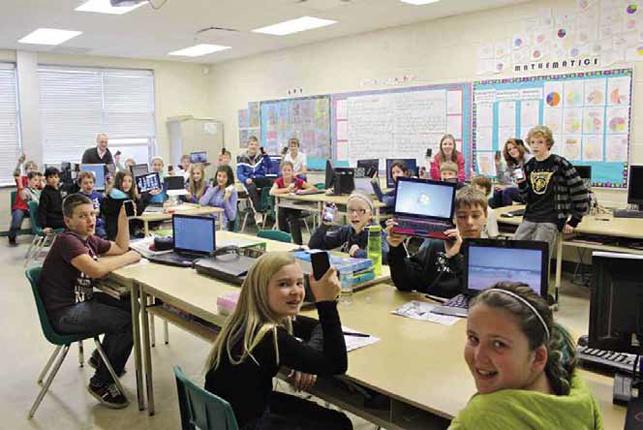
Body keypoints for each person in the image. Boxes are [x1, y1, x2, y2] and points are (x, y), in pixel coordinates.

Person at [204, 252, 352, 430]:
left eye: (299, 283)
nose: (296, 291)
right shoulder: (270, 336)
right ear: (261, 289)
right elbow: (337, 364)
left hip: (224, 415)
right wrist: (326, 302)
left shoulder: (246, 318)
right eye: (284, 284)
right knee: (340, 424)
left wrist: (306, 353)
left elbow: (317, 327)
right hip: (247, 423)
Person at [449, 282, 603, 429]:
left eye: (498, 344)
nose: (478, 355)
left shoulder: (481, 417)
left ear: (538, 358)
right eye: (473, 338)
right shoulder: (577, 396)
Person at [39, 193, 141, 409]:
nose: (90, 220)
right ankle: (101, 382)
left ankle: (102, 357)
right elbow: (96, 270)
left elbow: (120, 248)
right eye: (83, 216)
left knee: (131, 302)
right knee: (126, 322)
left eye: (92, 214)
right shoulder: (67, 240)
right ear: (68, 221)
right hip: (65, 313)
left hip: (82, 301)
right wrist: (132, 256)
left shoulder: (89, 239)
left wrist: (124, 219)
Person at [386, 186, 488, 297]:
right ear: (453, 218)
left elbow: (480, 297)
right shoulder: (435, 244)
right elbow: (405, 284)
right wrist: (396, 248)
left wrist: (454, 257)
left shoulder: (490, 252)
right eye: (462, 216)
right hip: (430, 307)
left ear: (486, 215)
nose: (469, 222)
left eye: (476, 216)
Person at [514, 126, 589, 260]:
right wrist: (521, 184)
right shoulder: (529, 165)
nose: (535, 146)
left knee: (539, 257)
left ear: (548, 144)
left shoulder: (560, 163)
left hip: (551, 218)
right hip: (531, 216)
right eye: (532, 142)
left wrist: (574, 221)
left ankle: (539, 281)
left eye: (540, 142)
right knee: (515, 250)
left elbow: (580, 192)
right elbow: (526, 197)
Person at [309, 191, 389, 260]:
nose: (354, 214)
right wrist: (325, 225)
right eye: (351, 210)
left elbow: (385, 256)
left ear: (370, 214)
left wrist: (358, 253)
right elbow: (314, 246)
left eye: (361, 210)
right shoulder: (347, 230)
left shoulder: (375, 231)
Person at [269, 161, 316, 245]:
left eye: (289, 170)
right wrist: (287, 190)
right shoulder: (279, 181)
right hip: (283, 206)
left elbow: (313, 188)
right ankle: (285, 239)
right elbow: (272, 192)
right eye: (284, 170)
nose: (286, 172)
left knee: (293, 217)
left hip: (295, 207)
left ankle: (298, 243)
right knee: (281, 215)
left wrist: (302, 191)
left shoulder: (297, 181)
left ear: (292, 171)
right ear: (281, 171)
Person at [101, 171, 148, 240]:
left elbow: (138, 212)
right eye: (124, 181)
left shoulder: (128, 195)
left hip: (126, 230)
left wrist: (139, 197)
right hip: (117, 233)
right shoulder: (116, 196)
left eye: (130, 181)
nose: (127, 184)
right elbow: (135, 213)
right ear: (118, 182)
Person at [489, 138, 532, 208]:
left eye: (515, 147)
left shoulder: (529, 160)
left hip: (529, 192)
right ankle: (498, 215)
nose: (512, 151)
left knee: (507, 191)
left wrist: (506, 187)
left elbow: (525, 184)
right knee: (497, 191)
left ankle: (507, 215)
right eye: (509, 149)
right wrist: (498, 165)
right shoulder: (512, 163)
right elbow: (503, 182)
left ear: (520, 147)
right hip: (518, 189)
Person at [236, 136, 273, 214]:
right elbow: (239, 174)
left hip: (259, 179)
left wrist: (266, 156)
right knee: (252, 187)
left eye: (256, 145)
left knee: (272, 182)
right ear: (248, 146)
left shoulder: (260, 156)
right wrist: (245, 179)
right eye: (251, 144)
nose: (253, 146)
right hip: (249, 180)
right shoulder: (241, 158)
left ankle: (273, 207)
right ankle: (259, 210)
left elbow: (270, 166)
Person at [8, 170, 42, 245]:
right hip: (21, 208)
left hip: (32, 209)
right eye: (35, 180)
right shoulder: (22, 180)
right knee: (16, 222)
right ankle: (12, 237)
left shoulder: (38, 189)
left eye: (38, 180)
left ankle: (41, 235)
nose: (37, 182)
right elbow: (23, 195)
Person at [199, 165, 238, 230]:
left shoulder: (232, 192)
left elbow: (232, 217)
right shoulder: (212, 188)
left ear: (228, 178)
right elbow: (202, 202)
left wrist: (225, 200)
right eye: (219, 176)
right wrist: (215, 188)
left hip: (220, 223)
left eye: (224, 177)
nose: (221, 179)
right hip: (207, 219)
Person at [78, 171, 107, 238]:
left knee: (102, 235)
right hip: (85, 225)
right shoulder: (78, 197)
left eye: (91, 182)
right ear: (80, 184)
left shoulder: (99, 196)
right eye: (85, 183)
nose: (89, 185)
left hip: (98, 224)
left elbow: (104, 211)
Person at [37, 166, 65, 232]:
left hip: (59, 217)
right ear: (46, 179)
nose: (54, 179)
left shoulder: (57, 190)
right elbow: (42, 210)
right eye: (51, 177)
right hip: (51, 220)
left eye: (56, 177)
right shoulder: (45, 192)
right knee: (72, 223)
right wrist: (44, 226)